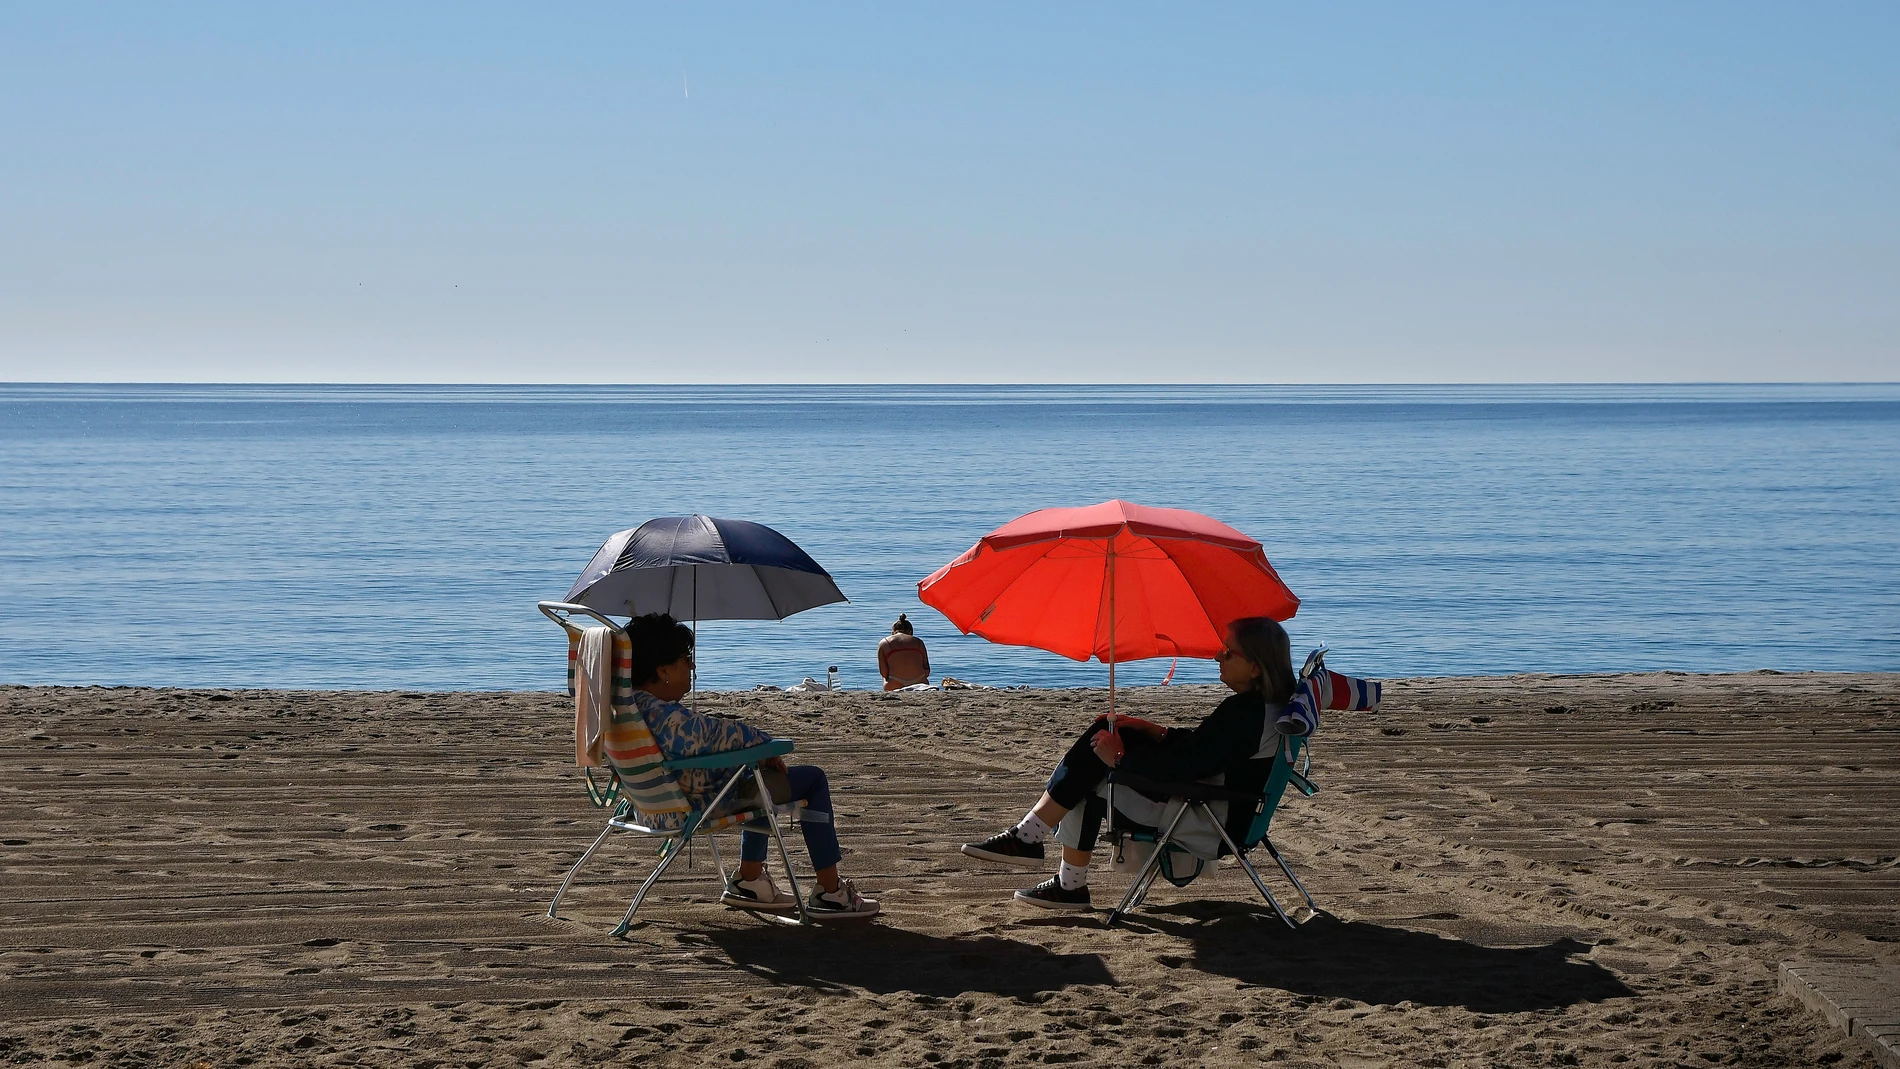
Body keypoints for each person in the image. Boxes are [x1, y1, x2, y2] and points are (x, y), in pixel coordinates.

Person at [957, 616, 1296, 910]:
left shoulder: (1246, 714)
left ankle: (1053, 865)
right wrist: (1156, 732)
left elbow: (1187, 767)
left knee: (1090, 779)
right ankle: (1034, 842)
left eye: (1227, 651)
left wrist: (1119, 759)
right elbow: (1211, 750)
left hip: (1205, 815)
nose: (1216, 655)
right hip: (1226, 807)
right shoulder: (1265, 708)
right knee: (1111, 731)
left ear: (1255, 666)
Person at [624, 612, 879, 918]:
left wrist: (754, 752)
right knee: (811, 779)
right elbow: (724, 734)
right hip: (696, 804)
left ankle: (751, 881)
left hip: (648, 805)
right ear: (663, 670)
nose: (691, 666)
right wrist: (764, 745)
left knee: (753, 771)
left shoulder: (628, 710)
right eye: (686, 658)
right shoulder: (671, 721)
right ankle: (830, 892)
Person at [877, 613, 931, 691]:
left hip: (894, 684)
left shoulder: (884, 642)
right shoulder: (919, 642)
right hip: (919, 683)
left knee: (885, 678)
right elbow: (927, 671)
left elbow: (884, 673)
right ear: (910, 632)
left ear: (893, 632)